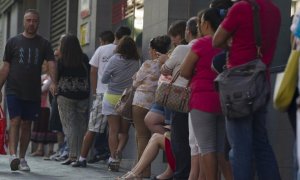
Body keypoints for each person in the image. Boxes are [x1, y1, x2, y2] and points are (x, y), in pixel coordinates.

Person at [213, 0, 281, 179]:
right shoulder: (275, 10)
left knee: (240, 147)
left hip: (238, 86)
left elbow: (217, 40)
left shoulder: (241, 8)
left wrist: (231, 44)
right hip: (261, 81)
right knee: (261, 143)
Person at [0, 9, 56, 171]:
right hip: (14, 88)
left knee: (27, 124)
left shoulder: (44, 43)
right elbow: (6, 67)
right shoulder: (13, 42)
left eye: (35, 21)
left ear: (38, 22)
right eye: (29, 20)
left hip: (33, 91)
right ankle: (13, 156)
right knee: (15, 121)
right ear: (24, 22)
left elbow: (52, 63)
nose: (32, 23)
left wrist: (54, 82)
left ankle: (22, 158)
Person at [181, 8, 233, 180]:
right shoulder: (227, 42)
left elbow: (184, 71)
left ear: (205, 23)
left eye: (200, 22)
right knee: (220, 149)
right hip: (223, 99)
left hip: (202, 101)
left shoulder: (202, 43)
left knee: (206, 148)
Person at [71, 28, 131, 167]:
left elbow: (93, 70)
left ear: (115, 36)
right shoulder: (130, 53)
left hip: (104, 94)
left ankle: (82, 158)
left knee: (93, 127)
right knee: (119, 130)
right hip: (124, 96)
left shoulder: (102, 49)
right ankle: (114, 157)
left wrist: (95, 91)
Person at [131, 35, 171, 178]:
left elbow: (135, 83)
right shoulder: (169, 64)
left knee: (141, 137)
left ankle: (141, 172)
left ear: (154, 51)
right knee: (152, 137)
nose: (149, 52)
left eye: (150, 49)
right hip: (157, 105)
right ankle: (144, 170)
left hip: (140, 103)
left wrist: (135, 77)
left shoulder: (148, 64)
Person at [101, 36, 140, 172]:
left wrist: (115, 78)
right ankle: (118, 150)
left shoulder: (114, 59)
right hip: (127, 99)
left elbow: (104, 79)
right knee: (124, 131)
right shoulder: (137, 61)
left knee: (113, 130)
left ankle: (113, 158)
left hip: (111, 97)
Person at [56, 34, 90, 166]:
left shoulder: (62, 60)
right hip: (83, 95)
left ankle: (73, 155)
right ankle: (81, 156)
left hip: (65, 96)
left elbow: (56, 76)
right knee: (82, 125)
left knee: (69, 125)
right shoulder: (84, 58)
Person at [31, 61, 57, 159]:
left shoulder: (50, 78)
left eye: (44, 65)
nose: (42, 66)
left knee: (48, 128)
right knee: (40, 127)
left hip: (47, 106)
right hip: (40, 106)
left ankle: (50, 150)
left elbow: (42, 89)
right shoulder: (43, 76)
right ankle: (40, 149)